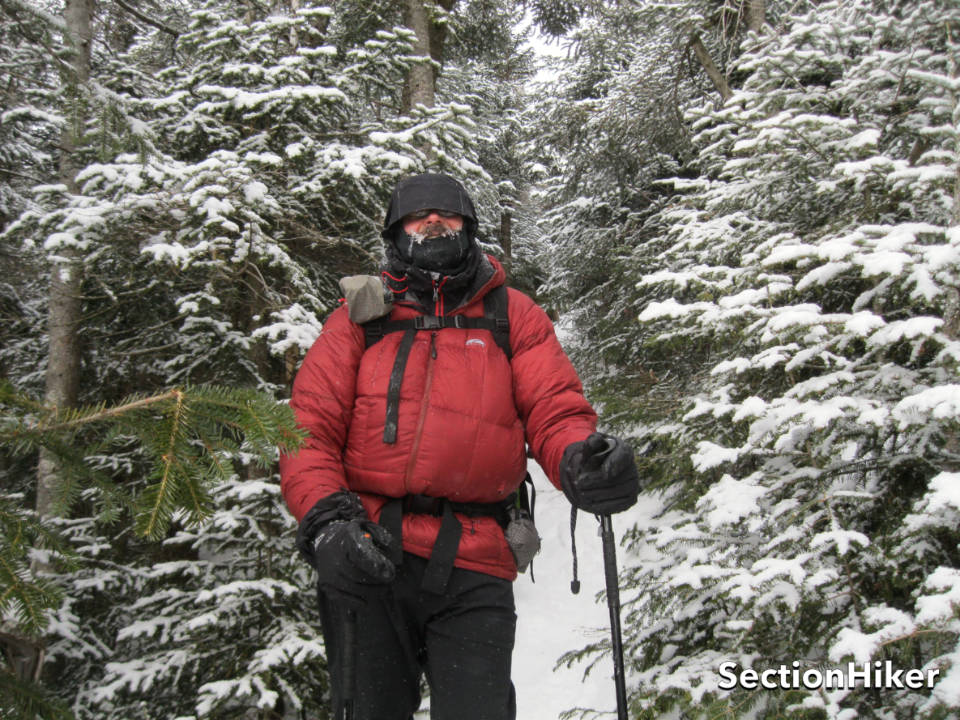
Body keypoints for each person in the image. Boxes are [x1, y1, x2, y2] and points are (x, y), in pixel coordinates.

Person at [279, 173, 640, 720]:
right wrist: (327, 519)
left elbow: (555, 407)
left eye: (447, 213)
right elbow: (308, 427)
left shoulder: (511, 313)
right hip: (368, 550)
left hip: (476, 557)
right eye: (417, 214)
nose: (433, 221)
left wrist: (578, 459)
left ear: (468, 226)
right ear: (395, 231)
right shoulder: (360, 318)